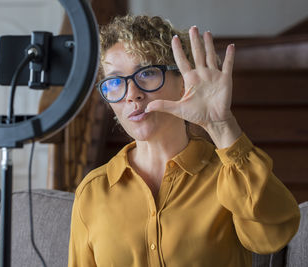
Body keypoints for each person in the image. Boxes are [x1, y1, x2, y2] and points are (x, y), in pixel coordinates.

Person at [68, 15, 300, 267]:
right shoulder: (92, 191)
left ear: (184, 83)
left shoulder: (228, 175)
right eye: (114, 81)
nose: (131, 94)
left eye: (146, 73)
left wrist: (221, 125)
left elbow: (272, 236)